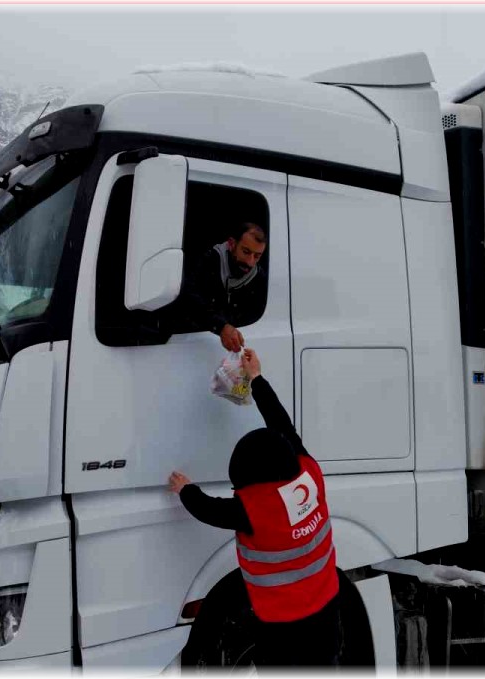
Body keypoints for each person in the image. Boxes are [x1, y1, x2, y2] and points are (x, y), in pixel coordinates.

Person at [167, 348, 341, 668]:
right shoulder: (308, 471)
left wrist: (185, 490)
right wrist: (256, 378)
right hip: (326, 612)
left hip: (283, 625)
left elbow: (209, 510)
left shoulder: (254, 509)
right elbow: (282, 425)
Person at [172, 222, 267, 352]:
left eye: (257, 256)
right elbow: (188, 298)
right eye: (246, 252)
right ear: (232, 243)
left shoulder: (259, 279)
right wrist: (221, 326)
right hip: (190, 345)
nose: (250, 262)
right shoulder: (207, 261)